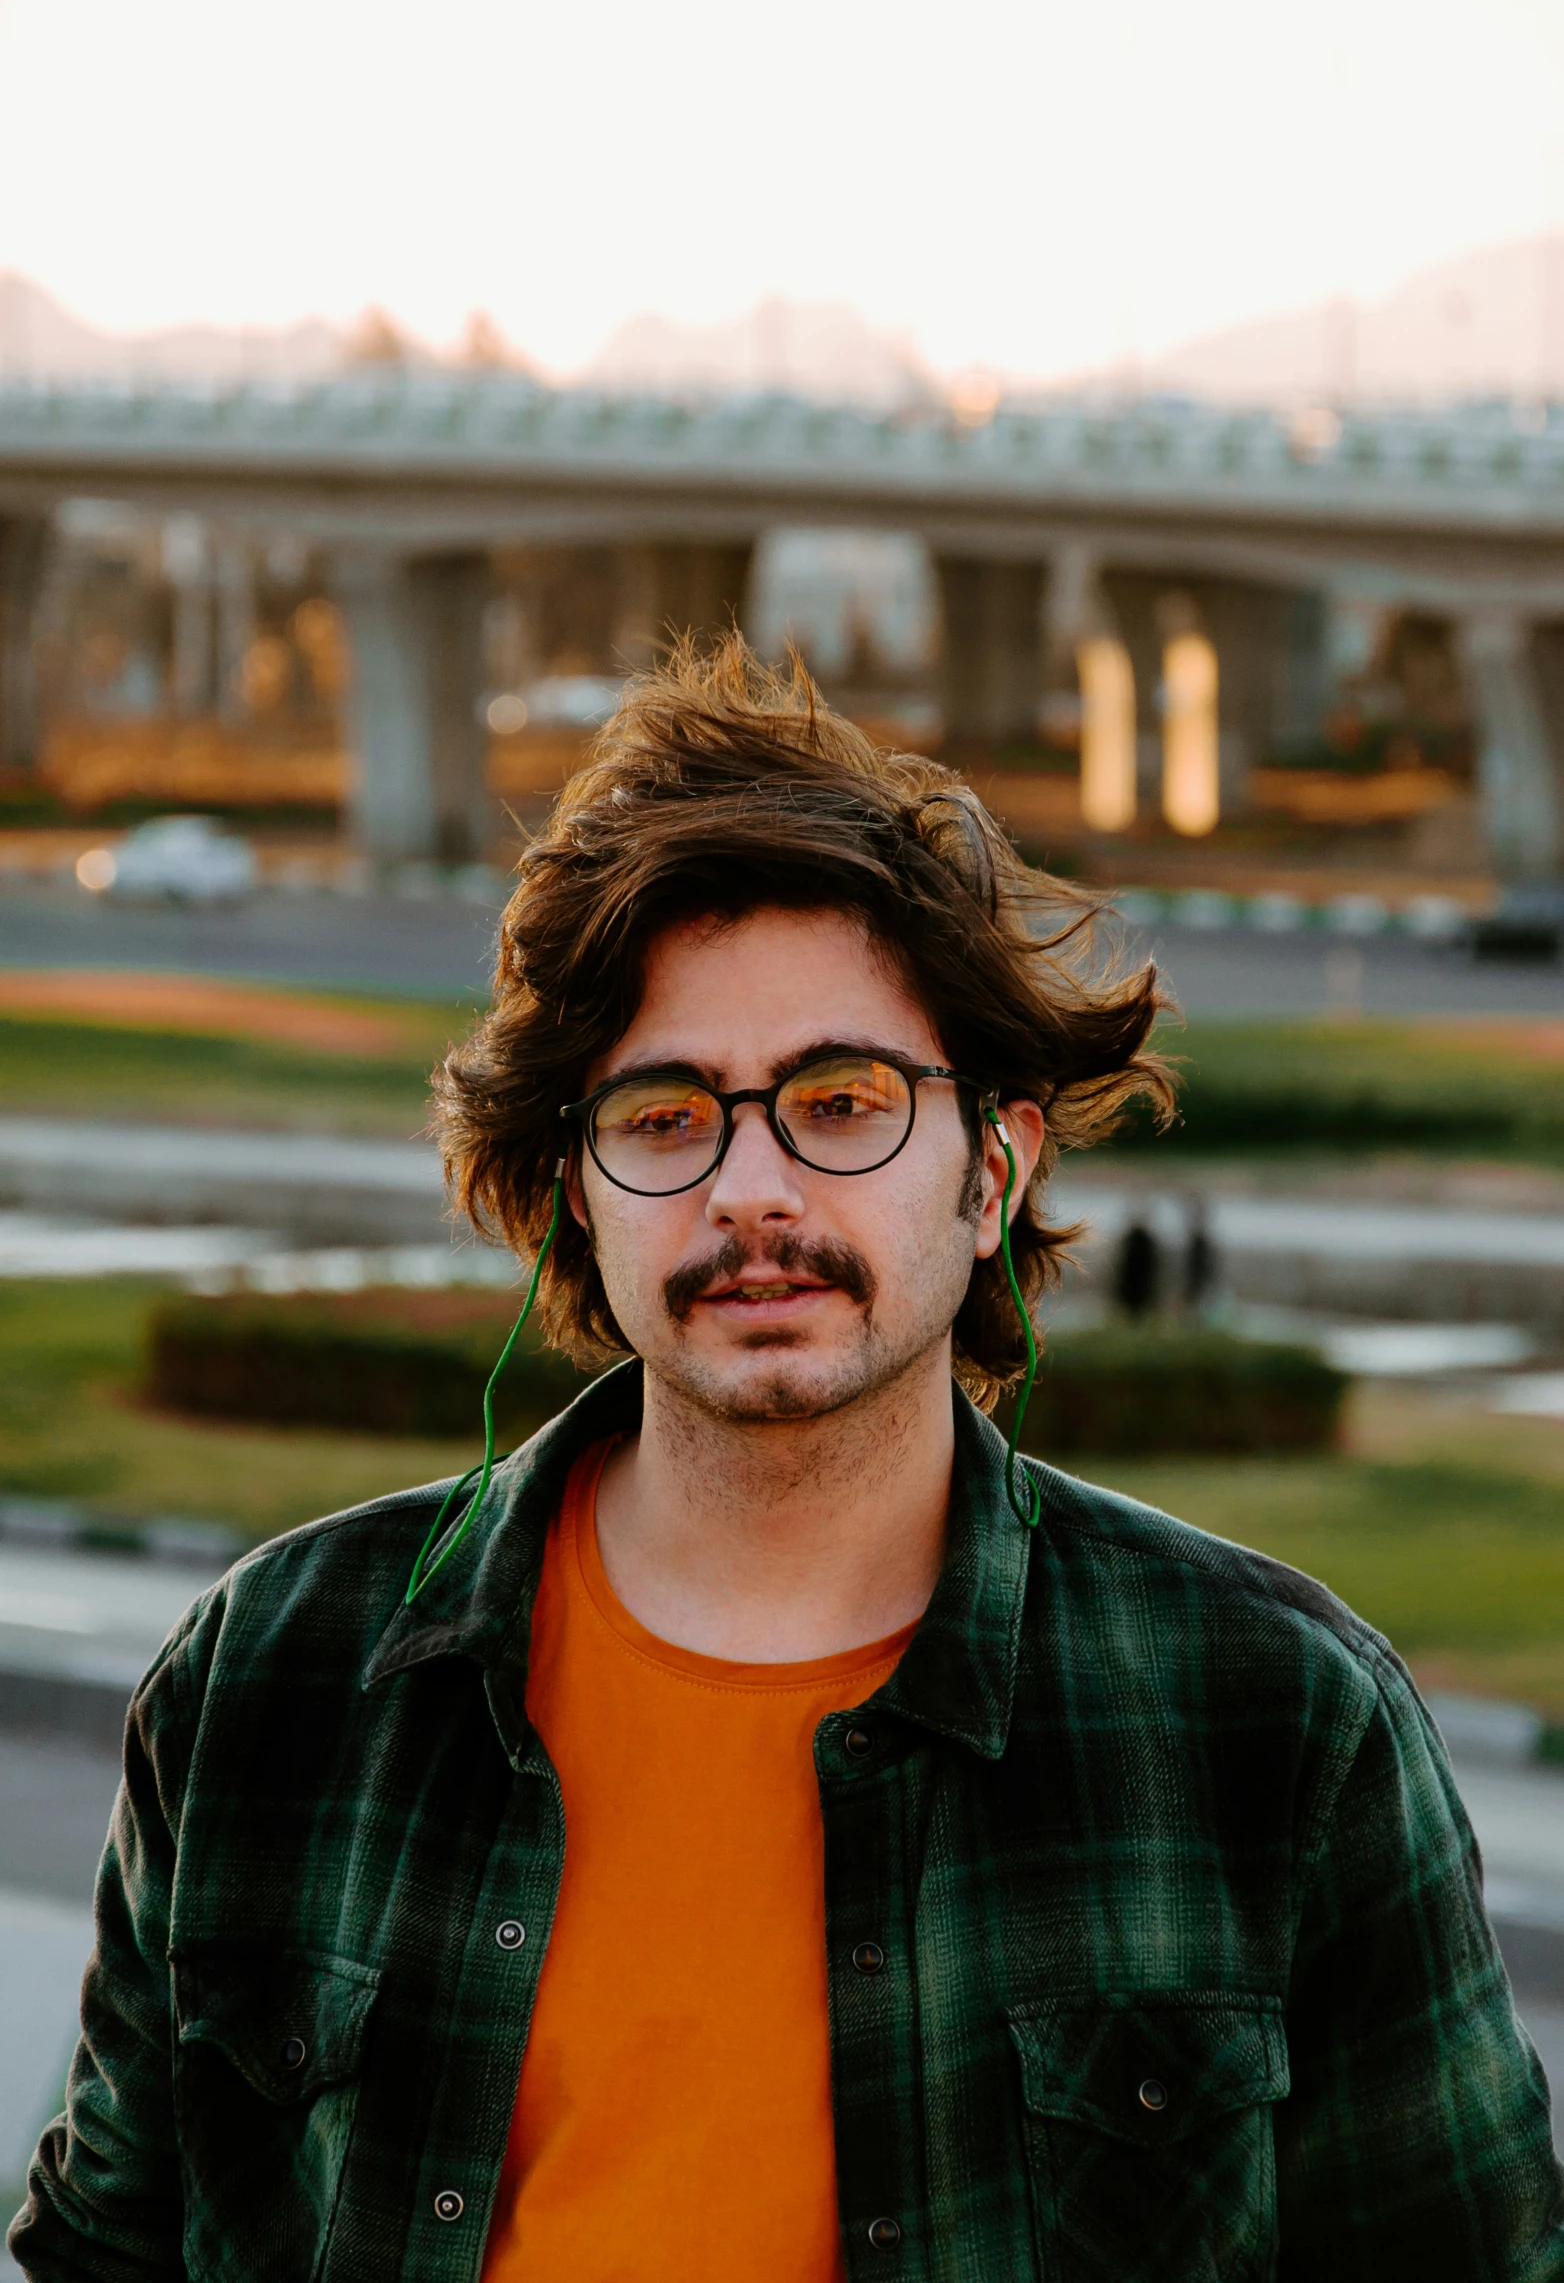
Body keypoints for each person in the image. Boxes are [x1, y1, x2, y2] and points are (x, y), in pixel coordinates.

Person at [12, 639, 1561, 2282]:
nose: (754, 1188)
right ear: (575, 1194)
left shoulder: (1282, 1724)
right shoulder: (267, 1684)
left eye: (842, 1099)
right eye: (668, 1116)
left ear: (989, 1174)